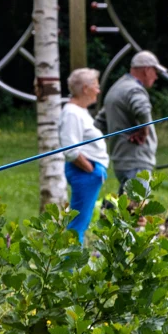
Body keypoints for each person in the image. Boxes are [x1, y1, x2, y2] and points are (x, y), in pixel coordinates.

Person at [98, 51, 164, 193]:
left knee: (126, 205)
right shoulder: (134, 89)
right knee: (139, 205)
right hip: (136, 161)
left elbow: (99, 123)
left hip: (120, 160)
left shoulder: (116, 88)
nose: (156, 76)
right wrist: (144, 132)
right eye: (155, 71)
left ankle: (108, 206)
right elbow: (143, 110)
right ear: (147, 70)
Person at [59, 68, 110, 242]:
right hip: (84, 173)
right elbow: (70, 149)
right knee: (78, 225)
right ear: (85, 89)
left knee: (82, 222)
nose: (98, 90)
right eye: (96, 86)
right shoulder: (71, 113)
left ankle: (74, 257)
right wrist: (91, 170)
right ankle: (71, 259)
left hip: (89, 173)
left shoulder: (80, 111)